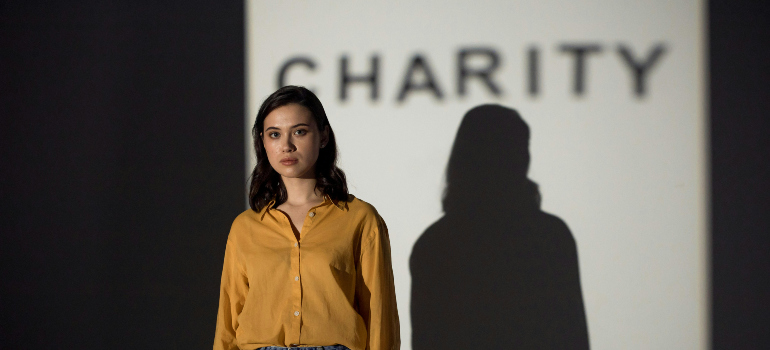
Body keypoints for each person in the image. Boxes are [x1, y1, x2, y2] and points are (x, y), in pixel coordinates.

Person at [213, 86, 400, 350]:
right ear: (263, 142)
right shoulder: (246, 227)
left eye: (299, 132)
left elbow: (380, 314)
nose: (286, 146)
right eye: (274, 134)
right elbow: (228, 323)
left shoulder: (359, 219)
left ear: (323, 136)